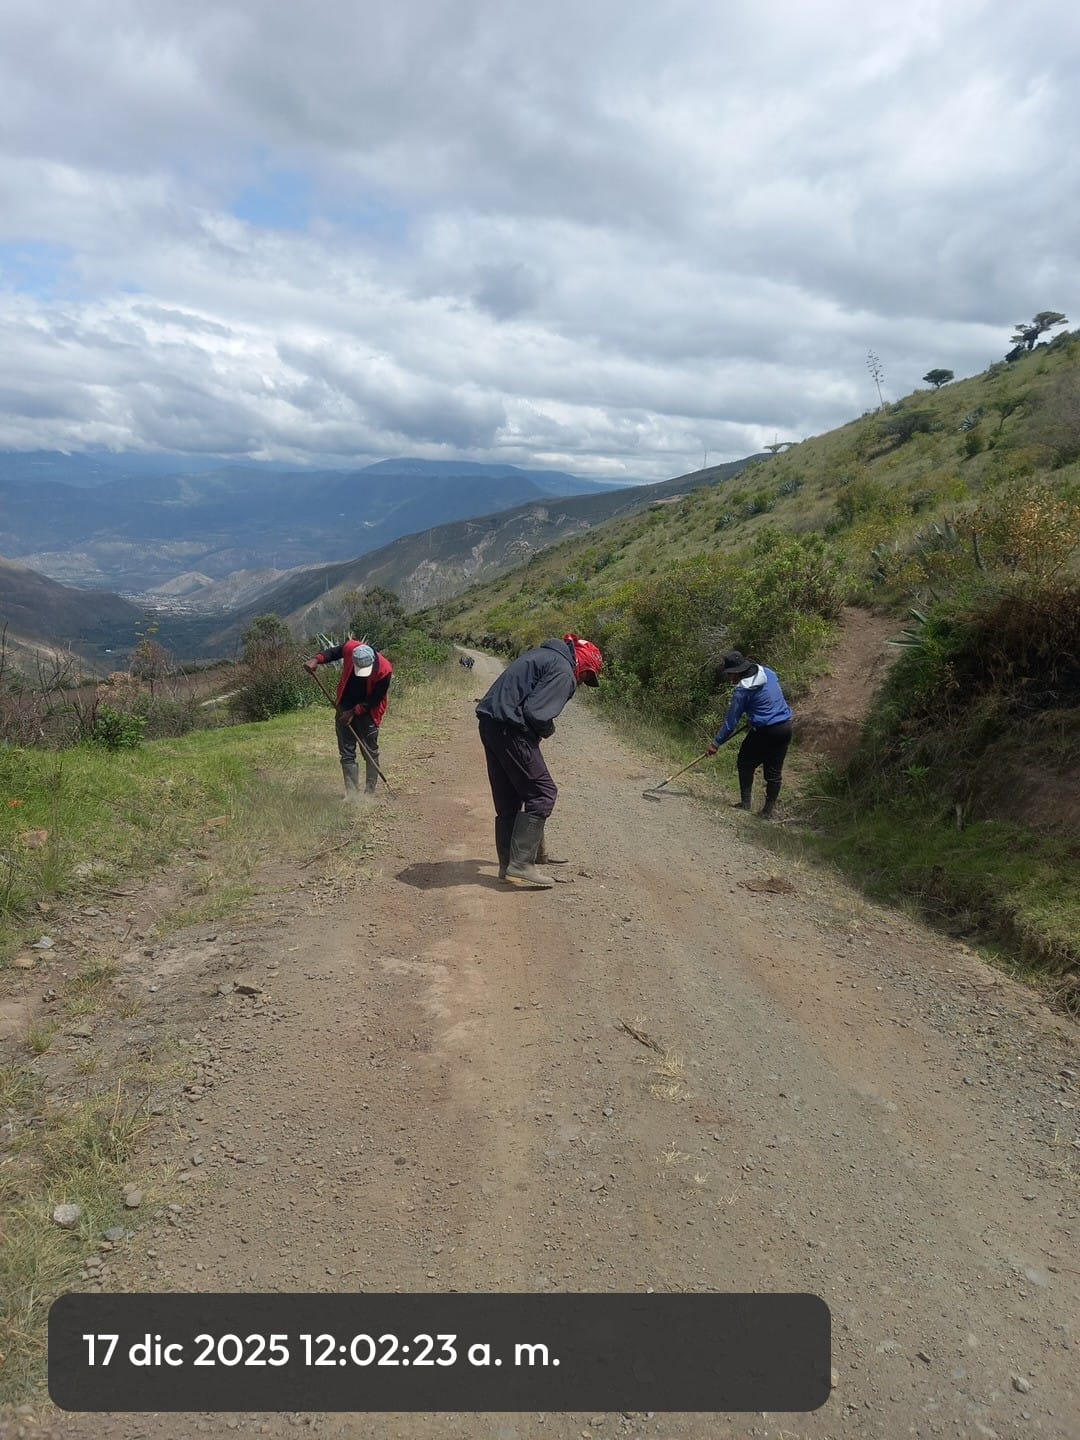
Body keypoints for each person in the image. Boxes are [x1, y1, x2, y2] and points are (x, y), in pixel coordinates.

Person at [476, 633, 603, 887]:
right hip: (511, 729)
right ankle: (522, 864)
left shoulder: (542, 655)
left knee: (510, 797)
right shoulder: (564, 670)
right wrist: (547, 730)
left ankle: (510, 863)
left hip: (490, 724)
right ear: (583, 664)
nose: (582, 681)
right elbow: (537, 713)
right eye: (587, 675)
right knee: (543, 792)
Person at [706, 650, 792, 819]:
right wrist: (756, 716)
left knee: (745, 762)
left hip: (766, 731)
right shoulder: (767, 672)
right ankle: (767, 813)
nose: (729, 678)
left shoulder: (742, 691)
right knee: (773, 772)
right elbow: (771, 697)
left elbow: (731, 722)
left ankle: (745, 804)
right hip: (785, 727)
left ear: (737, 672)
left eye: (730, 674)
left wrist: (715, 744)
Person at [304, 639, 393, 796]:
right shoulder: (351, 648)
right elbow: (333, 652)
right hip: (344, 706)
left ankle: (369, 793)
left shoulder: (384, 669)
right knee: (347, 752)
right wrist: (316, 659)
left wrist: (353, 712)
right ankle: (352, 795)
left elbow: (376, 698)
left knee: (370, 752)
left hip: (368, 713)